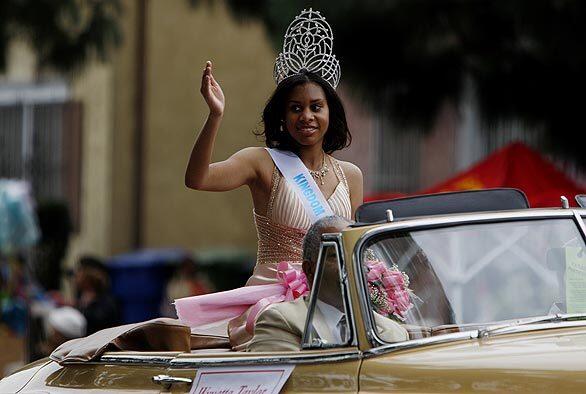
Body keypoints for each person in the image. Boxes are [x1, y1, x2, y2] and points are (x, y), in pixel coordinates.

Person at [183, 9, 363, 347]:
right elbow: (198, 178)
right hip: (271, 306)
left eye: (315, 106)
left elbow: (351, 252)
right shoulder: (261, 163)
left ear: (330, 112)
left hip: (331, 305)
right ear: (282, 117)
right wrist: (215, 115)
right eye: (295, 108)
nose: (306, 116)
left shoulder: (351, 176)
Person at [247, 216, 408, 352]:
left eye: (357, 254)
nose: (353, 264)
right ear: (309, 270)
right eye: (336, 255)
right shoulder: (280, 321)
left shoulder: (393, 332)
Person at [72, 256, 120, 335]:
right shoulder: (81, 296)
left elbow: (98, 322)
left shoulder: (106, 302)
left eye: (79, 272)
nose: (75, 277)